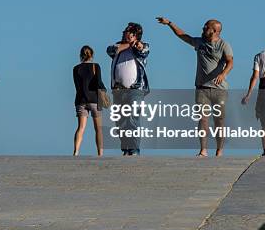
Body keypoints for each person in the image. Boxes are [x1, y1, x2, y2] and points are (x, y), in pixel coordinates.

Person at [156, 17, 233, 157]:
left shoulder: (224, 45)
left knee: (219, 120)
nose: (203, 29)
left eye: (206, 27)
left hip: (220, 90)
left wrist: (223, 74)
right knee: (203, 119)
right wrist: (169, 23)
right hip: (202, 88)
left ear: (215, 31)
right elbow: (182, 35)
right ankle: (203, 150)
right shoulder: (199, 42)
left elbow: (230, 62)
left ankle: (219, 150)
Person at [107, 22, 150, 156]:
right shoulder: (117, 47)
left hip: (135, 90)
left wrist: (137, 45)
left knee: (132, 118)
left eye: (130, 32)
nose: (126, 34)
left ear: (136, 35)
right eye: (126, 32)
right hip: (118, 90)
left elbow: (143, 51)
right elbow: (110, 50)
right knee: (120, 121)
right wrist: (128, 44)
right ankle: (125, 149)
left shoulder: (143, 46)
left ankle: (134, 149)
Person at [72, 45, 106, 156]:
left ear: (81, 55)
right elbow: (99, 83)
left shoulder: (76, 68)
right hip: (95, 100)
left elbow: (77, 86)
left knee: (81, 128)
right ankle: (100, 153)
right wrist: (104, 92)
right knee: (98, 129)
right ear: (92, 55)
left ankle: (76, 151)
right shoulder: (96, 67)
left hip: (81, 100)